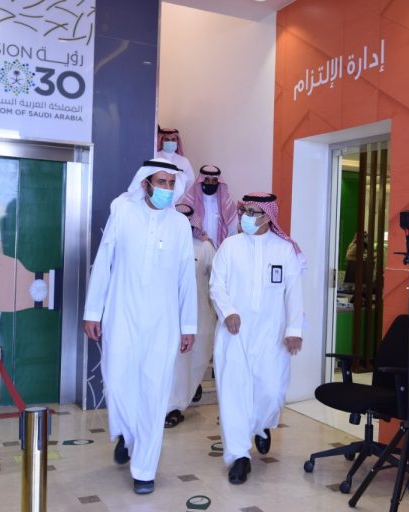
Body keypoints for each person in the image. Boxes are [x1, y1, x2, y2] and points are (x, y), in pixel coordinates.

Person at [82, 158, 197, 496]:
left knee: (154, 391)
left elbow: (186, 278)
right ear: (145, 183)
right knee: (117, 382)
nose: (166, 189)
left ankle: (144, 468)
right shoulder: (123, 212)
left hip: (164, 322)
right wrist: (93, 311)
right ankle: (128, 434)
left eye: (171, 183)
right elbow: (104, 261)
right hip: (122, 314)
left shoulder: (179, 225)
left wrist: (188, 324)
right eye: (160, 182)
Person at [209, 192, 305, 485]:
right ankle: (239, 455)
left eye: (253, 212)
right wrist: (228, 311)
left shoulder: (284, 250)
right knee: (233, 394)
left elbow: (294, 293)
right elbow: (216, 285)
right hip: (234, 333)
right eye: (244, 211)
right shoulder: (230, 246)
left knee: (272, 391)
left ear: (268, 216)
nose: (246, 217)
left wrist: (294, 330)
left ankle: (262, 425)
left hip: (271, 335)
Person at [164, 203, 217, 428]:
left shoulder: (204, 247)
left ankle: (190, 388)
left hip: (199, 317)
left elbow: (218, 280)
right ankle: (173, 407)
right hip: (167, 317)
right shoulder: (161, 243)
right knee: (173, 364)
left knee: (195, 360)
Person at [180, 164, 238, 249]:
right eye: (207, 180)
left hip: (220, 248)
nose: (210, 183)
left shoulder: (225, 201)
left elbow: (232, 229)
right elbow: (183, 225)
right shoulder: (191, 200)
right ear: (201, 181)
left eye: (214, 181)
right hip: (197, 248)